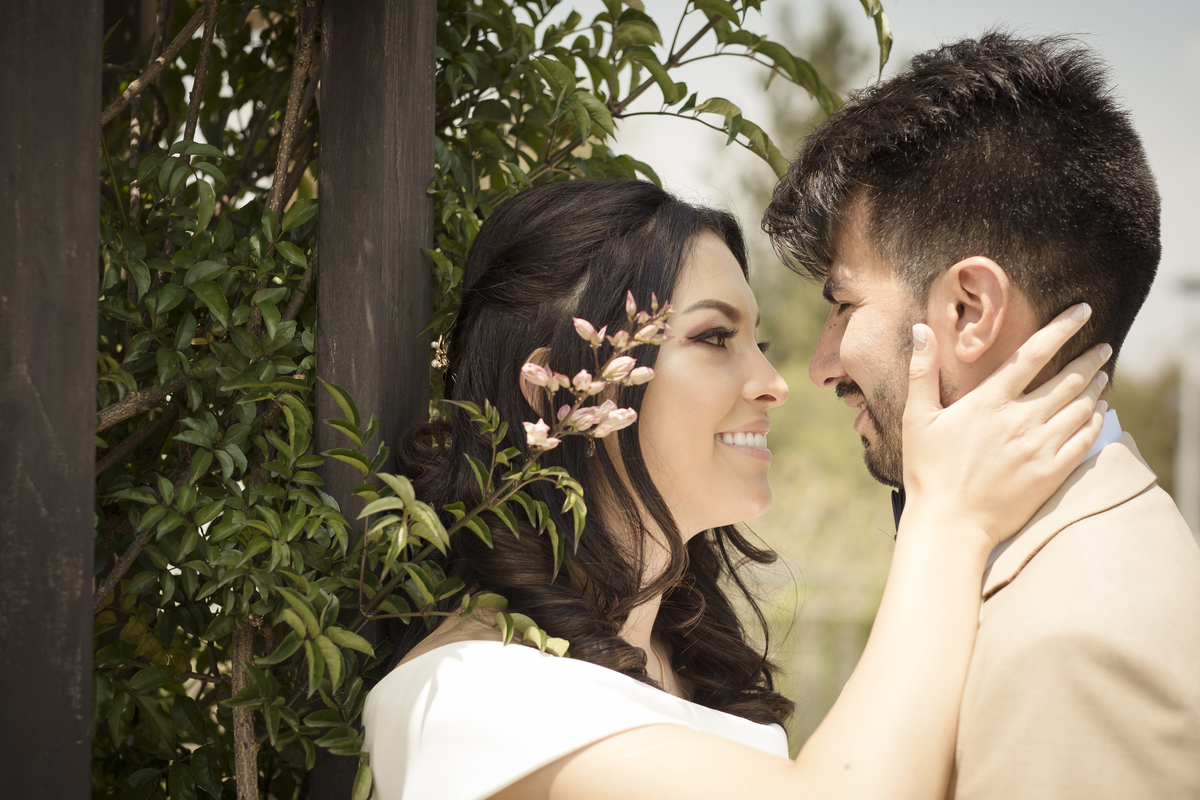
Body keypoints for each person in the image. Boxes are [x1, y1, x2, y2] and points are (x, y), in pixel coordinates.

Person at [363, 178, 1109, 800]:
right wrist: (949, 520)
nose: (775, 384)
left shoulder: (679, 660)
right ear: (558, 386)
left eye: (760, 343)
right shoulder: (464, 693)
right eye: (715, 339)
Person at [763, 32, 1200, 800]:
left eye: (843, 305)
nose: (819, 365)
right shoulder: (1048, 554)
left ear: (969, 309)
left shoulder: (1069, 644)